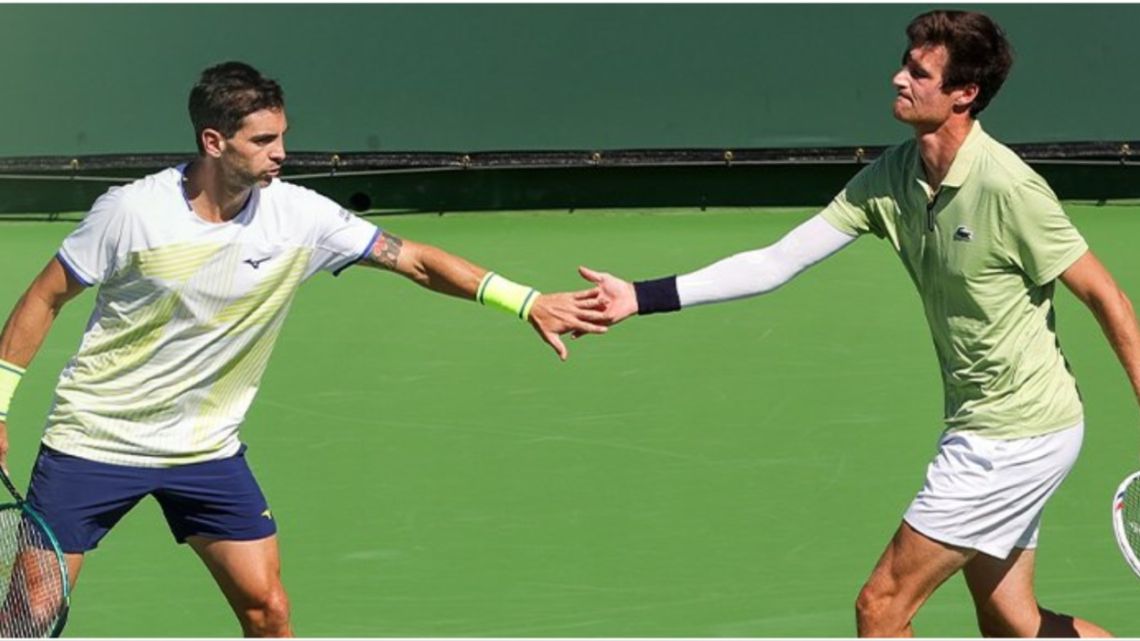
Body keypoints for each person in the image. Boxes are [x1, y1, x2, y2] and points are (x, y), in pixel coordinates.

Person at [579, 10, 1140, 638]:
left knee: (881, 608)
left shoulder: (1010, 187)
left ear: (964, 93)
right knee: (1012, 622)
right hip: (988, 423)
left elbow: (1108, 297)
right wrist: (640, 295)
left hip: (1014, 435)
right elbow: (776, 262)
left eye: (919, 72)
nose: (899, 79)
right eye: (905, 64)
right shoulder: (891, 178)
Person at [0, 61, 607, 637]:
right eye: (263, 140)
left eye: (282, 136)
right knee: (33, 614)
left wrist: (525, 301)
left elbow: (415, 261)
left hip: (206, 451)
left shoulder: (300, 216)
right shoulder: (131, 213)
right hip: (97, 441)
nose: (281, 153)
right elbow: (43, 298)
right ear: (214, 142)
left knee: (269, 610)